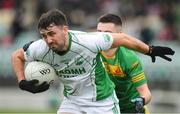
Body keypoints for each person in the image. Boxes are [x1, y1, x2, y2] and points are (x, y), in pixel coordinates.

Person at [11, 9, 175, 114]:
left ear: (65, 30)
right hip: (73, 102)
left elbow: (124, 39)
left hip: (104, 104)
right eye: (44, 36)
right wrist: (22, 83)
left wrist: (150, 50)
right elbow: (16, 56)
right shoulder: (40, 48)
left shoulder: (89, 42)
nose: (48, 40)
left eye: (52, 34)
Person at [97, 13, 152, 114]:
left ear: (119, 35)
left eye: (107, 33)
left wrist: (141, 101)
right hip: (105, 108)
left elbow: (146, 93)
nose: (102, 37)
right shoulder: (92, 52)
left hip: (131, 109)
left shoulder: (129, 58)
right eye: (99, 32)